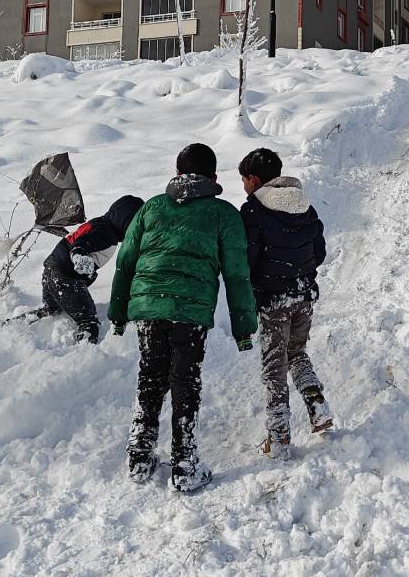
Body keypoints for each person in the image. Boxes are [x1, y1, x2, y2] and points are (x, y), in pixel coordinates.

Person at [109, 143, 258, 492]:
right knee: (184, 381)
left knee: (151, 377)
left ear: (177, 174)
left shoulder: (151, 208)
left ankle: (140, 457)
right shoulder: (223, 213)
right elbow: (237, 274)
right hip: (189, 312)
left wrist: (118, 314)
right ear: (214, 177)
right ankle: (185, 464)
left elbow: (126, 261)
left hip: (148, 308)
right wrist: (243, 328)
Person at [237, 148, 332, 461]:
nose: (244, 186)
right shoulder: (305, 206)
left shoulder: (252, 211)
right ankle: (317, 403)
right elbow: (318, 252)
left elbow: (247, 258)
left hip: (273, 299)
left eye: (243, 180)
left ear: (253, 179)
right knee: (297, 353)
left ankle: (278, 436)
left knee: (274, 365)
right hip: (303, 296)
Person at [19, 195, 144, 343]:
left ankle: (14, 326)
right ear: (127, 221)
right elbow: (82, 243)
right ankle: (83, 355)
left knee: (52, 309)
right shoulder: (106, 233)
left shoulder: (101, 224)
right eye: (137, 224)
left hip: (52, 269)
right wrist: (78, 255)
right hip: (66, 278)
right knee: (88, 320)